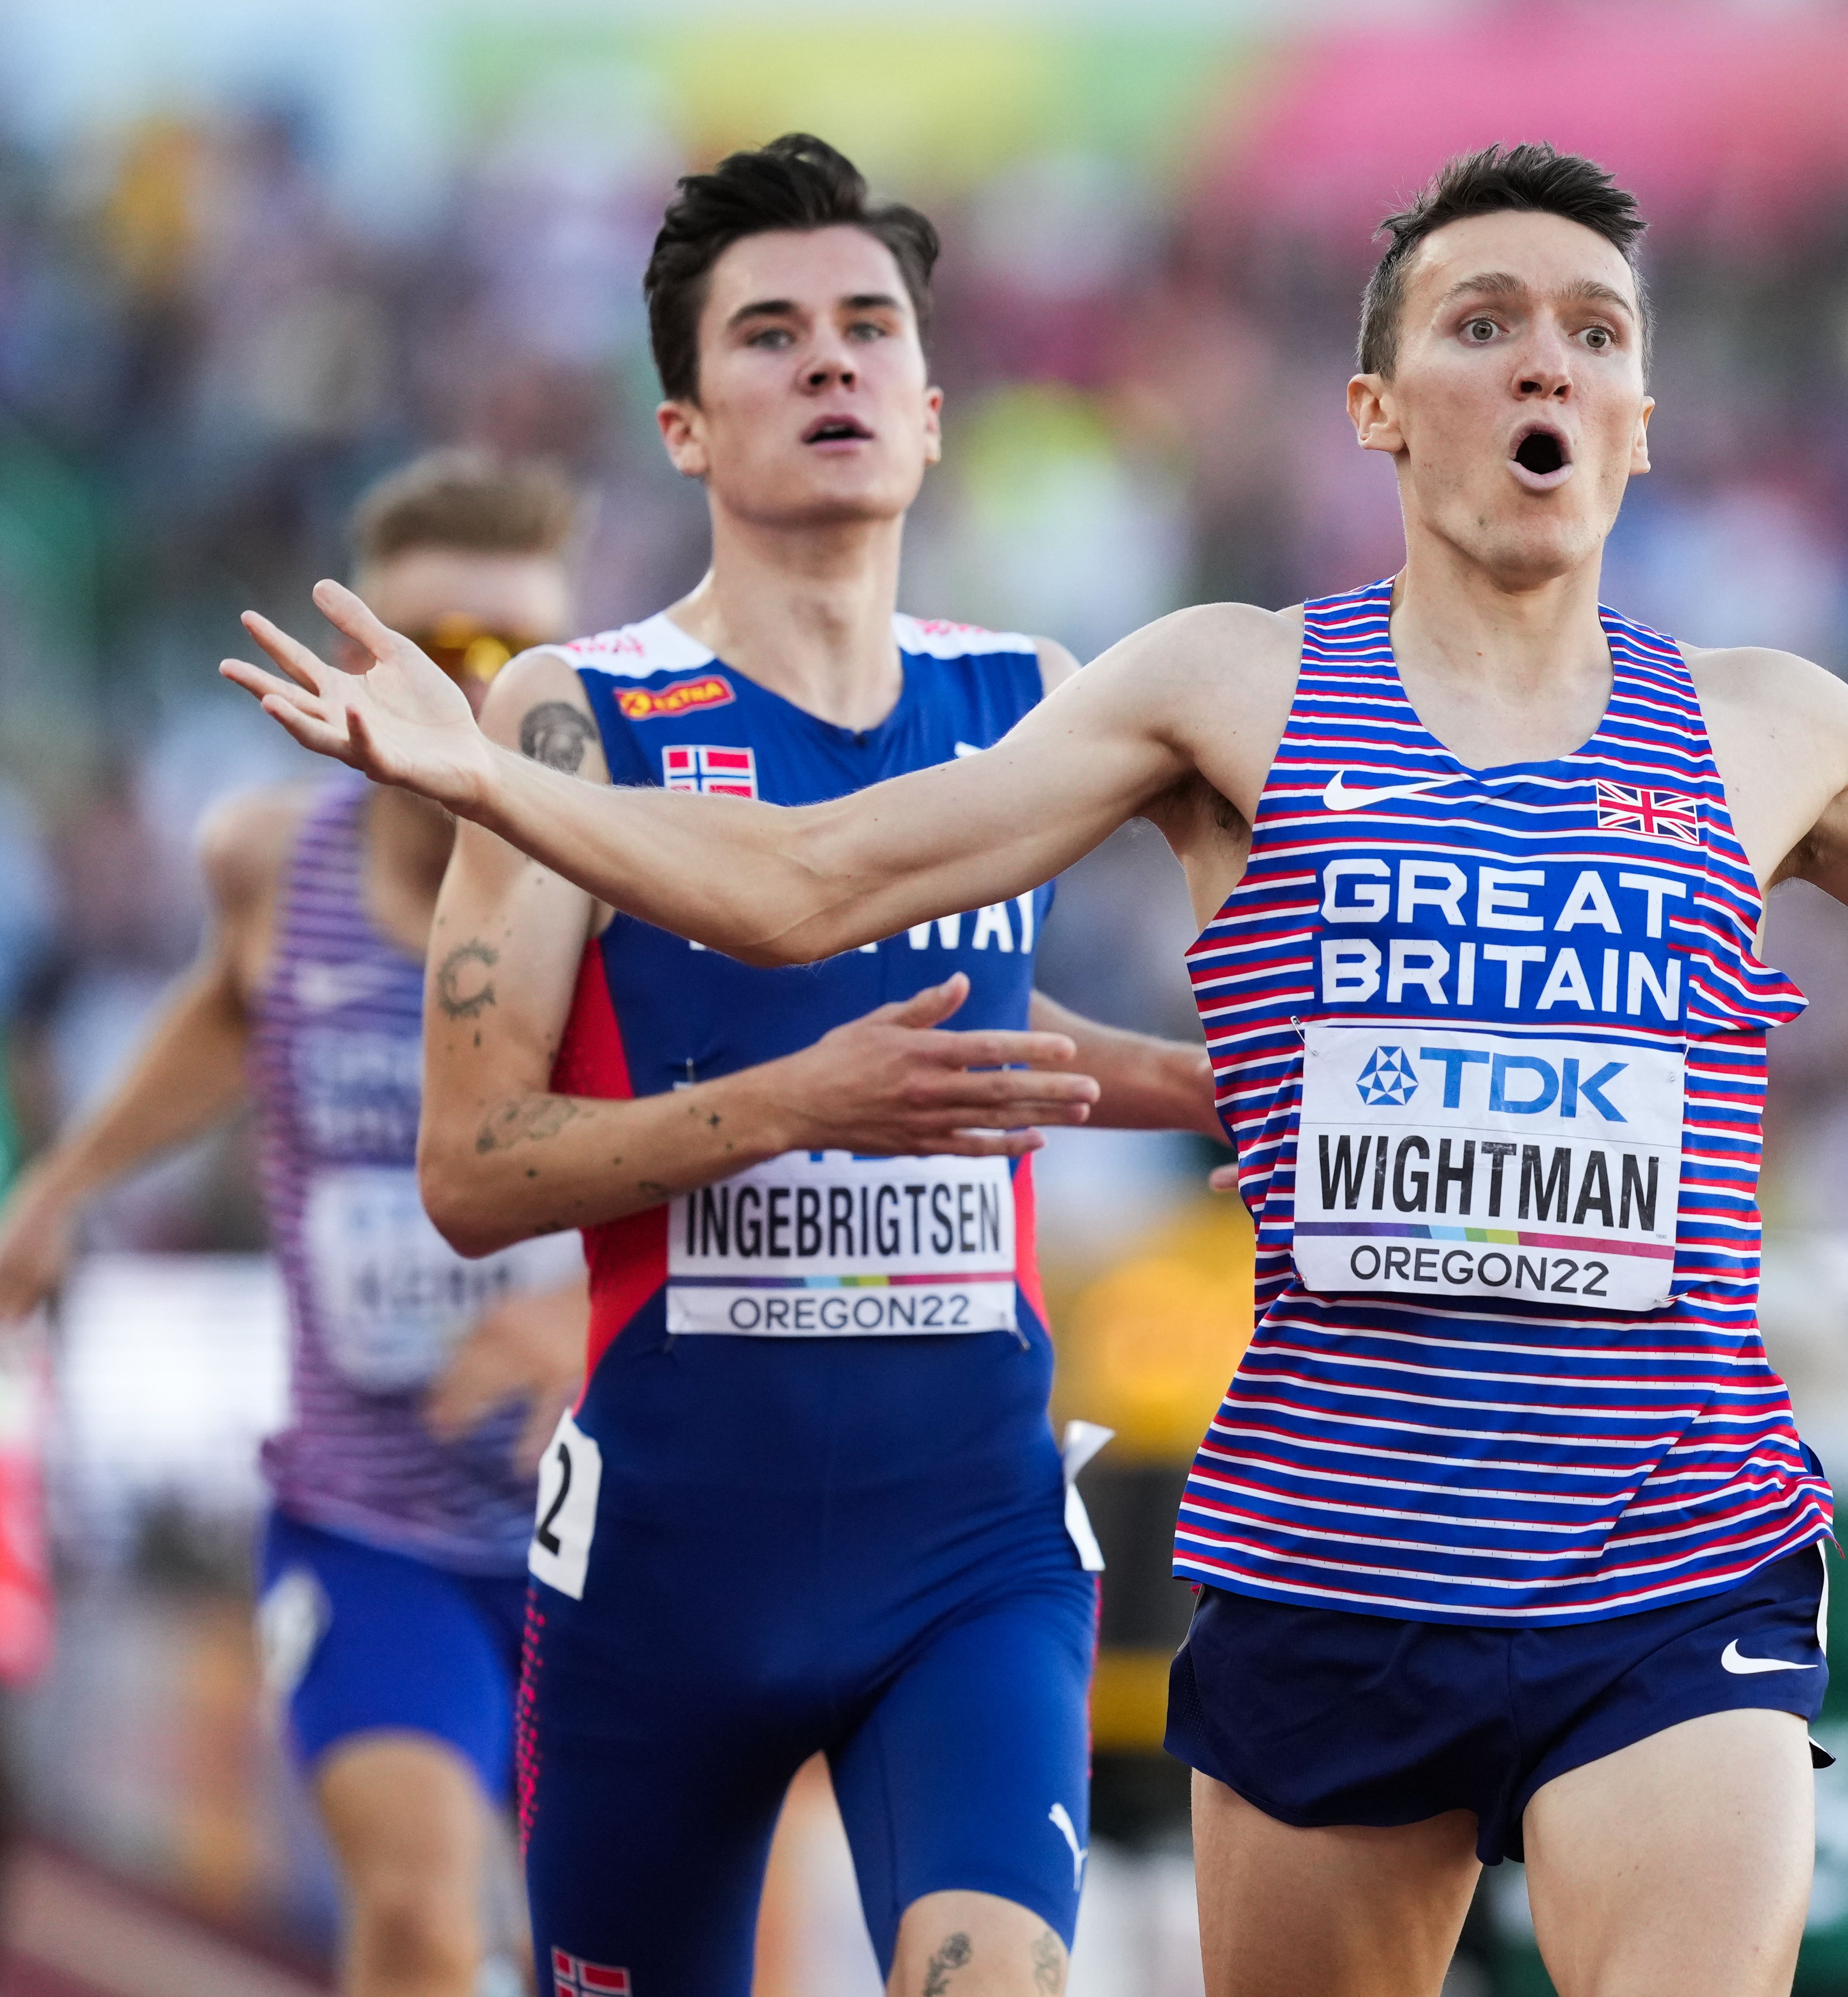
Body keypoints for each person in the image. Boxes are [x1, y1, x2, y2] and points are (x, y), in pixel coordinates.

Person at [223, 141, 1848, 1997]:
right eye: (1480, 319)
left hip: (1672, 1553)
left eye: (1593, 330)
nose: (1543, 360)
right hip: (1317, 1574)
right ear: (1379, 406)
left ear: (1640, 420)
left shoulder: (1767, 727)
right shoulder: (1224, 687)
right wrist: (496, 777)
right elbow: (807, 886)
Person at [309, 137, 1215, 1997]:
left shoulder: (1034, 698)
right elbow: (474, 1167)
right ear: (682, 430)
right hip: (666, 1564)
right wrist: (793, 1111)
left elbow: (969, 1058)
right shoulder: (572, 715)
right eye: (773, 336)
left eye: (870, 329)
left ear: (935, 408)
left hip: (968, 1540)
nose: (832, 366)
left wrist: (1230, 1093)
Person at [0, 448, 590, 1997]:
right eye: (428, 651)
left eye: (510, 660)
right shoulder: (272, 861)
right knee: (414, 1913)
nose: (460, 694)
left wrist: (581, 1313)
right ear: (355, 661)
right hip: (365, 1517)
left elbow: (748, 1132)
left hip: (600, 1526)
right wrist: (61, 1187)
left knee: (623, 1946)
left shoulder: (620, 888)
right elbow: (220, 1010)